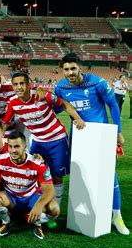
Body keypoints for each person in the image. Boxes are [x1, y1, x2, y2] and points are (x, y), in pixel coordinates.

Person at [55, 52, 129, 235]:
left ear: (80, 68)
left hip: (101, 135)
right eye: (66, 69)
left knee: (110, 175)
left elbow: (113, 105)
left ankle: (117, 216)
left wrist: (118, 131)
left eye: (73, 68)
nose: (70, 72)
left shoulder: (98, 83)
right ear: (62, 71)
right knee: (80, 174)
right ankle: (84, 214)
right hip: (79, 137)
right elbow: (57, 108)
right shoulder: (60, 88)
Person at [2, 72, 85, 221]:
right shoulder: (12, 103)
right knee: (32, 173)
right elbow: (5, 122)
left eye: (22, 83)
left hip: (57, 139)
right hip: (38, 142)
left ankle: (53, 214)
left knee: (57, 176)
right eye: (16, 84)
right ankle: (33, 205)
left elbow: (64, 104)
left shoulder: (43, 95)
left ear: (29, 84)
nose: (19, 87)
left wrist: (77, 118)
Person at [0, 131, 60, 240]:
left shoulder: (38, 163)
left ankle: (35, 222)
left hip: (31, 197)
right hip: (11, 197)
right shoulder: (0, 161)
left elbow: (49, 190)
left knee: (55, 209)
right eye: (10, 146)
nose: (13, 150)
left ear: (25, 147)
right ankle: (7, 221)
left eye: (17, 146)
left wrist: (38, 206)